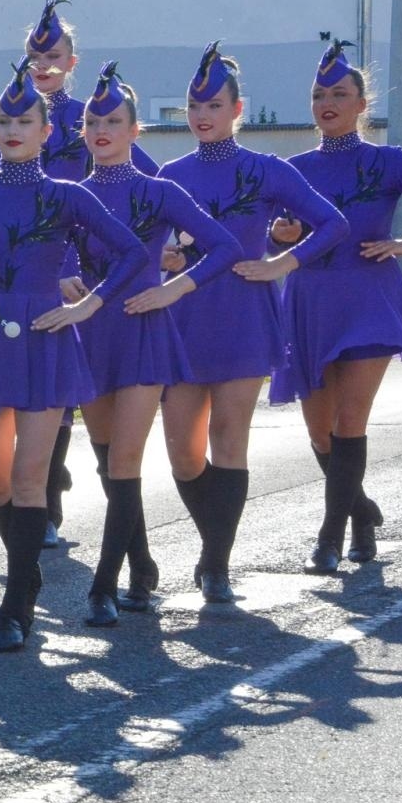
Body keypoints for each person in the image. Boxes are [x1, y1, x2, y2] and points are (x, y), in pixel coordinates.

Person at [0, 60, 148, 651]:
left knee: (29, 478)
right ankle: (27, 570)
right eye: (3, 120)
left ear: (48, 132)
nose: (12, 129)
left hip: (48, 338)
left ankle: (15, 605)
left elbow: (130, 255)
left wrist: (87, 306)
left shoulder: (68, 195)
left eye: (25, 120)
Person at [266, 42, 402, 574]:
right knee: (318, 432)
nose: (327, 102)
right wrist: (279, 234)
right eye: (318, 94)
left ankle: (328, 538)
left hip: (367, 299)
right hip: (308, 301)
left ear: (361, 103)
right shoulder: (293, 168)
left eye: (339, 93)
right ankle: (360, 513)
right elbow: (277, 233)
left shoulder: (388, 161)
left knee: (350, 420)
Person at [156, 43, 348, 601]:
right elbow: (146, 240)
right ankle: (212, 536)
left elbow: (331, 225)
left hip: (242, 315)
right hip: (182, 317)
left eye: (214, 105)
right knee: (183, 453)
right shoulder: (170, 174)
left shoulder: (266, 171)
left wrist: (282, 263)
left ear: (238, 110)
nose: (202, 115)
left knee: (227, 437)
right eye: (195, 105)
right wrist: (161, 261)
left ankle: (215, 561)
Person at [0, 0, 158, 545]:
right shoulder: (4, 121)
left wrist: (174, 240)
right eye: (35, 55)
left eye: (54, 56)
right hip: (32, 278)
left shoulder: (87, 121)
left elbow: (140, 178)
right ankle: (44, 497)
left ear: (72, 62)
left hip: (87, 276)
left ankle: (53, 490)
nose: (44, 64)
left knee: (61, 391)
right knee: (33, 391)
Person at [74, 62, 241, 628]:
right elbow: (43, 258)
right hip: (91, 332)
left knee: (124, 459)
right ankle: (142, 565)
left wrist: (173, 291)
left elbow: (223, 246)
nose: (102, 127)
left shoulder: (158, 191)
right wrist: (61, 280)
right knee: (107, 463)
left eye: (113, 119)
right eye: (94, 119)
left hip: (144, 333)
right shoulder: (71, 196)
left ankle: (103, 585)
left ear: (133, 131)